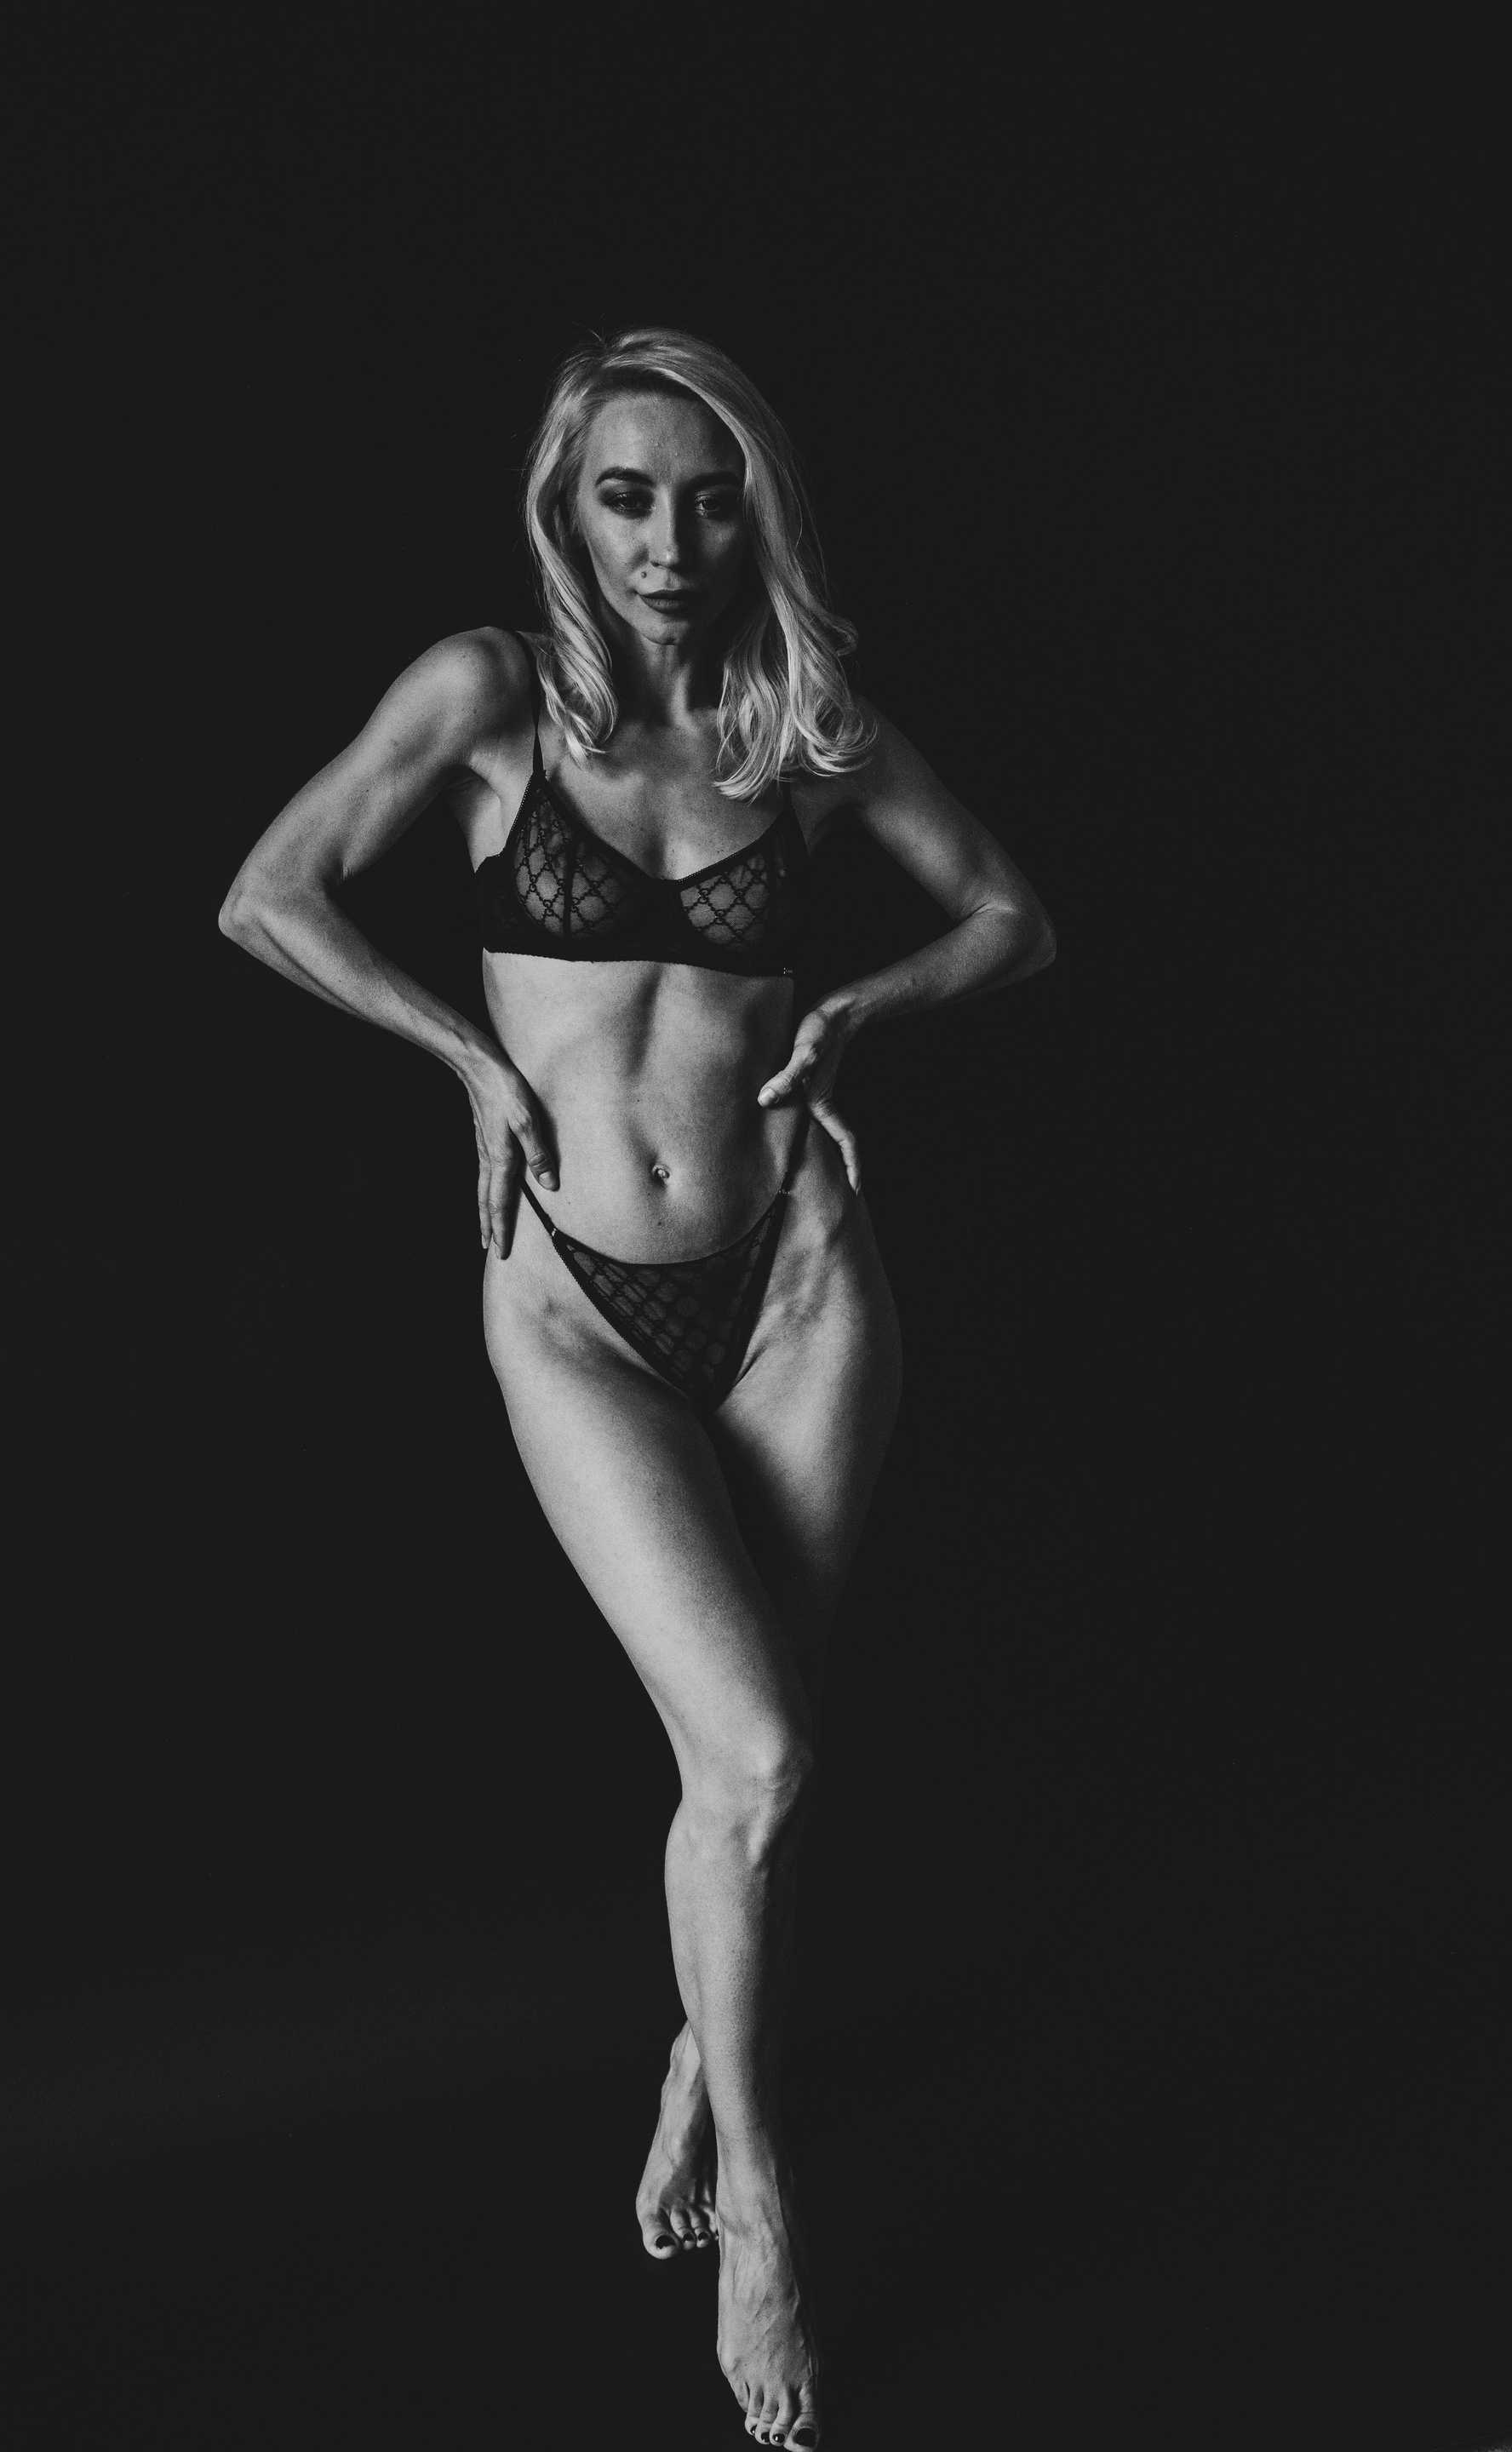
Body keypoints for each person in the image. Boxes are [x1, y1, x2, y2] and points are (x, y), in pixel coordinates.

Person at [219, 327, 1054, 2449]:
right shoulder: (489, 697)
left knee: (752, 1776)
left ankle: (704, 2063)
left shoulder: (794, 719)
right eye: (625, 495)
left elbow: (1010, 918)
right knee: (759, 1751)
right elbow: (267, 895)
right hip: (576, 1297)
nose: (668, 538)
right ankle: (765, 2208)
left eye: (705, 494)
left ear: (752, 504)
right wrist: (467, 1060)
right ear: (563, 507)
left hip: (802, 1282)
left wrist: (855, 1012)